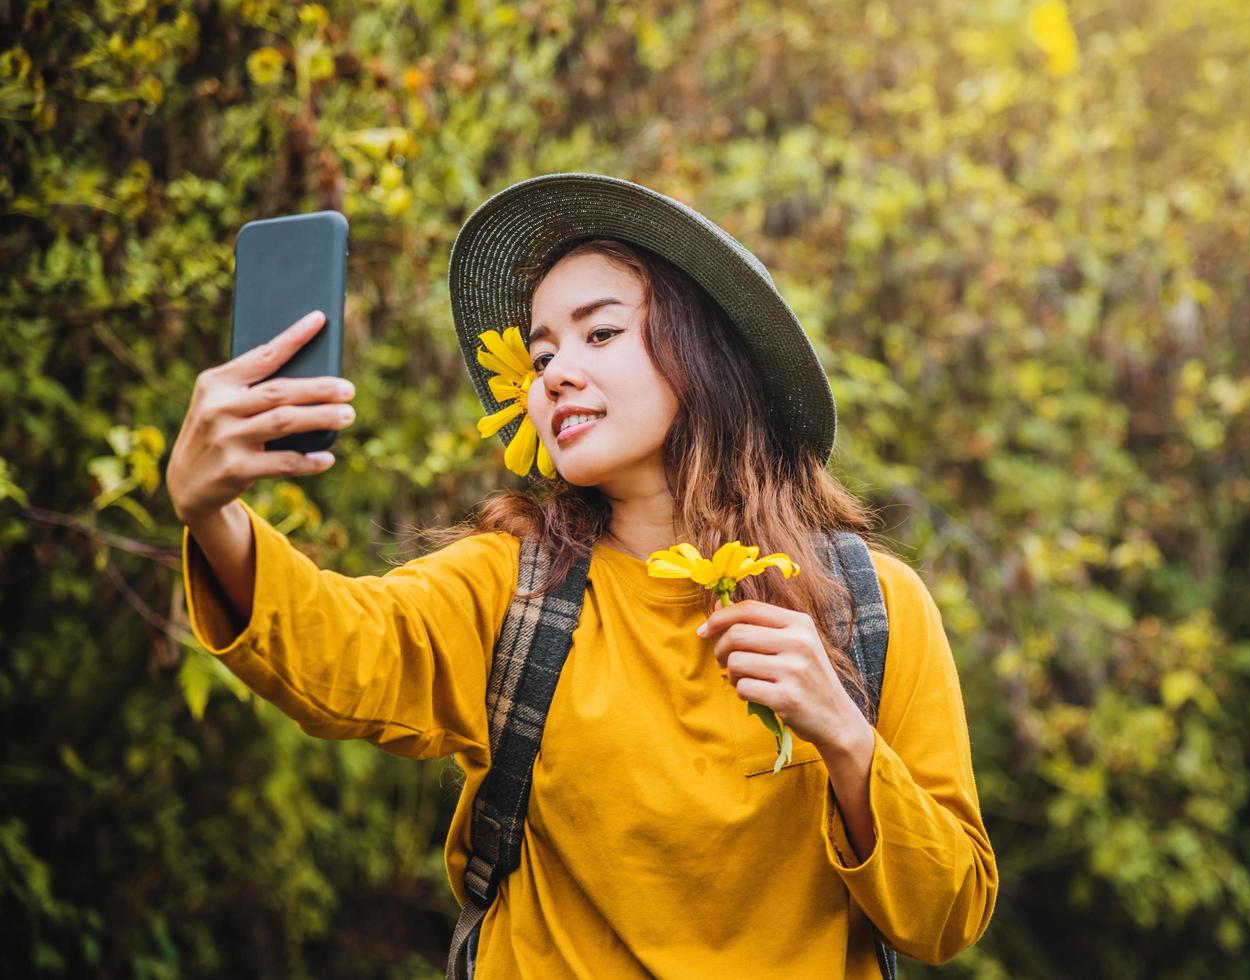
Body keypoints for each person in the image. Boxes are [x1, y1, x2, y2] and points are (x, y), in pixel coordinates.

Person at [167, 172, 998, 978]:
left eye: (599, 334)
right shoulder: (514, 589)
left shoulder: (873, 608)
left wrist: (847, 742)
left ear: (705, 354)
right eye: (541, 353)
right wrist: (214, 513)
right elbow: (339, 649)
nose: (554, 372)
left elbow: (947, 912)